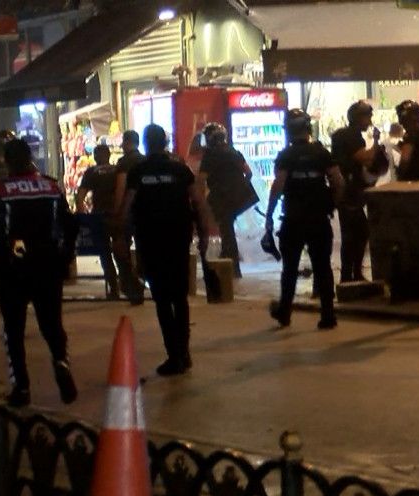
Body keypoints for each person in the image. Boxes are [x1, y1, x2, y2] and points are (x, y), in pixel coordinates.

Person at [0, 138, 78, 408]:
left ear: (8, 162)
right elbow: (69, 226)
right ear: (31, 158)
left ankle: (21, 388)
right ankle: (61, 361)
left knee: (14, 330)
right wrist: (65, 259)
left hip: (12, 268)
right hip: (48, 265)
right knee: (52, 324)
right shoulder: (51, 186)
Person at [121, 124, 216, 376]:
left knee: (162, 299)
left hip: (150, 241)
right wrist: (204, 235)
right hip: (178, 239)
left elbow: (127, 207)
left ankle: (174, 355)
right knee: (179, 297)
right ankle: (184, 352)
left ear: (145, 144)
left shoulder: (138, 171)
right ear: (164, 142)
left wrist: (121, 237)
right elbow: (199, 202)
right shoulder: (180, 170)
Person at [264, 108, 345, 331]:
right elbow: (338, 182)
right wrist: (333, 204)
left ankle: (284, 313)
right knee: (323, 267)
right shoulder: (321, 153)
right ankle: (328, 316)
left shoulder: (286, 155)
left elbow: (278, 185)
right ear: (308, 128)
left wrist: (269, 214)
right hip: (319, 219)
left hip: (293, 219)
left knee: (289, 268)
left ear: (288, 131)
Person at [330, 101, 386, 283]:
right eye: (367, 116)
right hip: (348, 193)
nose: (370, 121)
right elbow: (365, 157)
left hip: (349, 191)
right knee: (354, 234)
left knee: (358, 233)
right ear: (357, 117)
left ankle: (353, 273)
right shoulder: (350, 136)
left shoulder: (345, 135)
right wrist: (376, 142)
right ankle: (349, 275)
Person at [77, 143, 136, 299]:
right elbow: (123, 190)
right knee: (121, 252)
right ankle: (128, 285)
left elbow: (81, 195)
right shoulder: (118, 170)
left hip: (99, 217)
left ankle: (113, 288)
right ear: (109, 155)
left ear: (95, 157)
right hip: (117, 216)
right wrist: (119, 211)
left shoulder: (91, 172)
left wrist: (82, 216)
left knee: (105, 253)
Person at [198, 123, 254, 278]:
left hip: (220, 198)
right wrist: (239, 187)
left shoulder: (210, 156)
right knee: (227, 228)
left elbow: (201, 179)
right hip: (237, 197)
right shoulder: (234, 152)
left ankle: (233, 267)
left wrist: (200, 199)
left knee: (226, 230)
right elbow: (248, 172)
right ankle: (228, 261)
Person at [113, 129, 146, 303]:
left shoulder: (124, 162)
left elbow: (121, 188)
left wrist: (118, 212)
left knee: (121, 248)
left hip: (128, 211)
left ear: (126, 143)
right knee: (142, 249)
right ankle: (141, 279)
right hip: (144, 212)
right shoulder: (145, 160)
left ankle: (130, 284)